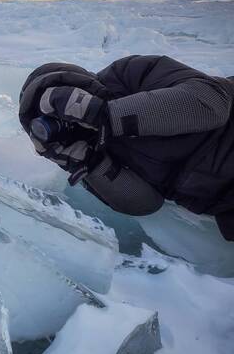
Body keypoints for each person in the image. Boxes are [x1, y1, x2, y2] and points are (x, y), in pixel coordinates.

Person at [18, 54, 234, 241]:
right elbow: (145, 204)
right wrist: (89, 163)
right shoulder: (88, 147)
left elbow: (211, 103)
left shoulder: (126, 73)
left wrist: (105, 114)